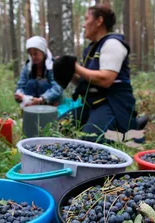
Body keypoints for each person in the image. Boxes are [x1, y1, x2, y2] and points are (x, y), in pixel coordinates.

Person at [54, 4, 147, 142]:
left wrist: (76, 67)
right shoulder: (92, 49)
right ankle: (123, 126)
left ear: (99, 21)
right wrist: (68, 71)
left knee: (89, 141)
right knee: (58, 128)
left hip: (112, 104)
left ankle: (129, 130)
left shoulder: (113, 44)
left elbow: (106, 79)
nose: (84, 25)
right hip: (92, 105)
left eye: (86, 19)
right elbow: (85, 80)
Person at [14, 36, 63, 107]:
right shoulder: (28, 67)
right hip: (31, 104)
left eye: (35, 53)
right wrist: (19, 94)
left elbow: (57, 88)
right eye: (31, 54)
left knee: (43, 84)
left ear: (43, 52)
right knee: (31, 83)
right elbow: (20, 86)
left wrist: (42, 99)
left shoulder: (53, 66)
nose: (33, 57)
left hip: (50, 103)